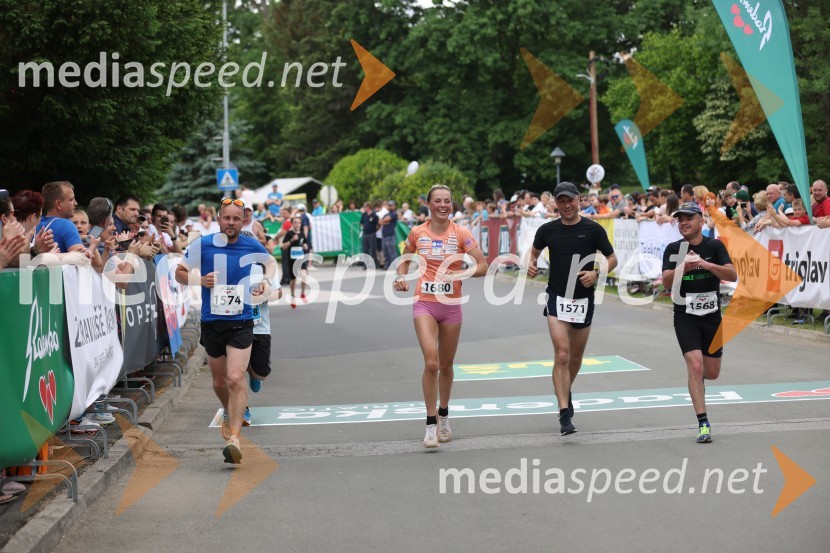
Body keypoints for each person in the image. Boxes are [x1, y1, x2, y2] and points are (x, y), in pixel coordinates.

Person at [175, 198, 272, 464]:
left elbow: (268, 265)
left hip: (241, 322)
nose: (231, 223)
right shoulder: (203, 245)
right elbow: (179, 273)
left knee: (234, 377)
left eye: (236, 219)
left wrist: (263, 283)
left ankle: (235, 439)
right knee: (219, 383)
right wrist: (200, 279)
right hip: (212, 322)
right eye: (226, 218)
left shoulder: (250, 243)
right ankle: (228, 411)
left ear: (243, 221)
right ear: (219, 219)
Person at [393, 184, 488, 448]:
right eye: (438, 201)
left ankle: (444, 414)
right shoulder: (416, 232)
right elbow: (405, 258)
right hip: (424, 302)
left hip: (452, 306)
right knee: (432, 363)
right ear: (428, 204)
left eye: (447, 201)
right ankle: (430, 422)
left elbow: (483, 265)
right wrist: (400, 276)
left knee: (446, 366)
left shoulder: (461, 233)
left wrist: (461, 273)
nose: (443, 205)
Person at [527, 182, 617, 436]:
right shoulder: (547, 230)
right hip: (556, 297)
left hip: (583, 300)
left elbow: (613, 258)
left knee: (575, 358)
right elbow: (532, 254)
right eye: (562, 201)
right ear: (556, 203)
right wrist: (531, 265)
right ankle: (564, 413)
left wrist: (596, 272)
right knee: (562, 355)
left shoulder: (593, 229)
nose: (567, 205)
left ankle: (565, 390)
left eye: (571, 200)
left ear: (579, 200)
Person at [661, 202, 737, 443]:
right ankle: (703, 423)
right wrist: (684, 266)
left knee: (711, 373)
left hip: (712, 317)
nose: (683, 222)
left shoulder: (714, 245)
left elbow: (732, 274)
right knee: (695, 366)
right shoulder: (674, 248)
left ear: (701, 221)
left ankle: (699, 380)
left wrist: (705, 265)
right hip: (685, 316)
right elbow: (665, 281)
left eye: (688, 218)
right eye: (680, 219)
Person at [281, 216, 310, 308]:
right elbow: (283, 246)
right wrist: (292, 240)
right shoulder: (289, 234)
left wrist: (305, 245)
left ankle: (302, 293)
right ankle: (293, 295)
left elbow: (304, 243)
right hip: (292, 261)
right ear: (292, 223)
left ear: (301, 224)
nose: (297, 224)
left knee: (304, 275)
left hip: (301, 260)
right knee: (293, 281)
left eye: (299, 223)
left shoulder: (302, 234)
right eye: (295, 222)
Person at [380, 200, 399, 269]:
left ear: (394, 206)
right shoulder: (386, 214)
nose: (389, 206)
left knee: (392, 252)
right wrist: (385, 222)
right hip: (384, 236)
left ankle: (395, 266)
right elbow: (380, 222)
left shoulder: (394, 214)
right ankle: (387, 266)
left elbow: (385, 220)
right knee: (385, 252)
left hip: (390, 235)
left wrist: (384, 222)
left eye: (391, 205)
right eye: (389, 205)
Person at [360, 201, 379, 268]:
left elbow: (377, 224)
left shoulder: (374, 214)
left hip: (372, 233)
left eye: (365, 207)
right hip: (365, 234)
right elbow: (361, 223)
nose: (364, 208)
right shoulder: (364, 214)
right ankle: (366, 264)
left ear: (368, 207)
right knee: (365, 250)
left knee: (373, 249)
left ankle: (375, 263)